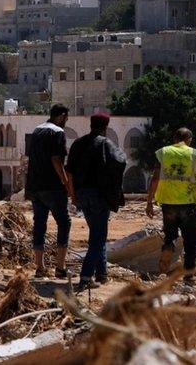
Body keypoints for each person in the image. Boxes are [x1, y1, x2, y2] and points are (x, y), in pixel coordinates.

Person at [66, 112, 127, 291]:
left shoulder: (78, 143)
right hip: (99, 196)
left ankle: (102, 274)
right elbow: (120, 161)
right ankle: (86, 277)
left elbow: (69, 172)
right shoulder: (105, 143)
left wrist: (72, 194)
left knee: (97, 233)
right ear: (105, 127)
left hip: (82, 195)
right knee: (98, 238)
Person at [145, 127, 196, 279]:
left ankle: (168, 246)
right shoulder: (195, 154)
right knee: (190, 240)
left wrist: (149, 202)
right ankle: (189, 273)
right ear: (189, 139)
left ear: (175, 139)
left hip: (168, 203)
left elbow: (155, 179)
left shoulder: (163, 153)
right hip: (188, 203)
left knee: (170, 235)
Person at [25, 104, 73, 279]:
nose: (66, 122)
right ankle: (60, 266)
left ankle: (40, 267)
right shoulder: (58, 133)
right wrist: (65, 181)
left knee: (39, 224)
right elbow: (56, 159)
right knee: (64, 222)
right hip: (52, 186)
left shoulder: (37, 130)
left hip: (34, 185)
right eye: (66, 118)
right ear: (61, 116)